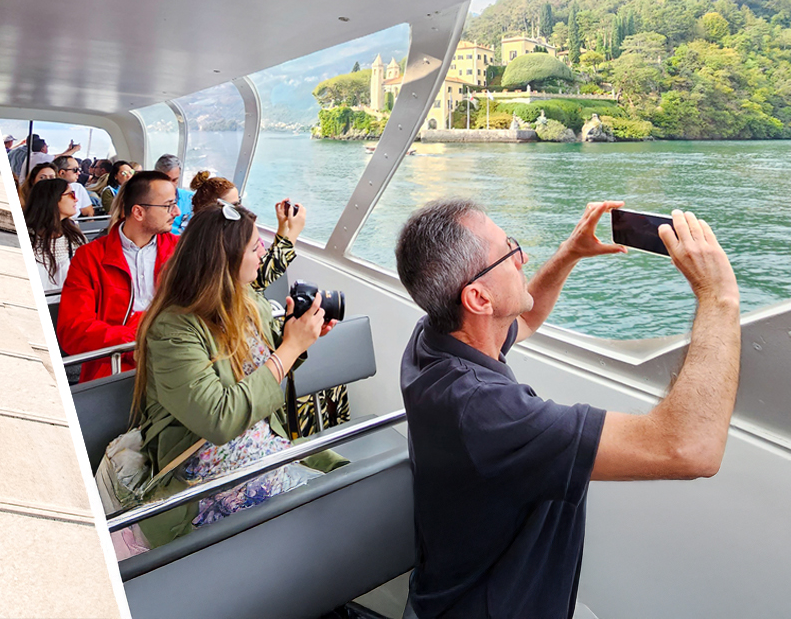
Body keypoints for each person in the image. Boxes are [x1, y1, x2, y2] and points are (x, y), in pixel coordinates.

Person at [396, 200, 741, 619]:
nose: (523, 256)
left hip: (464, 590)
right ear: (478, 297)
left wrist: (569, 254)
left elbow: (523, 321)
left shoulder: (436, 335)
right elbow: (690, 448)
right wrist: (719, 297)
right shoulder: (486, 411)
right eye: (509, 251)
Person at [121, 201, 345, 553]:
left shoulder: (247, 301)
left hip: (264, 446)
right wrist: (289, 349)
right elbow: (220, 420)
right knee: (322, 529)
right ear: (224, 259)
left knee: (347, 496)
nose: (262, 254)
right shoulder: (173, 330)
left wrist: (296, 340)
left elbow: (268, 370)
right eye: (255, 247)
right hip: (206, 475)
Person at [55, 170, 180, 381]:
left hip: (173, 361)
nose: (176, 211)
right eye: (168, 205)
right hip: (112, 364)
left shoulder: (181, 251)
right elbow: (73, 329)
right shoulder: (90, 257)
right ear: (139, 212)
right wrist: (139, 340)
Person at [23, 177, 85, 296]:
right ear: (54, 199)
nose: (76, 199)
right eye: (71, 194)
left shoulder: (75, 237)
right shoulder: (28, 236)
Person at [154, 154, 195, 234]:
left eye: (174, 180)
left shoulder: (191, 199)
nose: (171, 185)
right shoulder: (149, 200)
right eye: (166, 180)